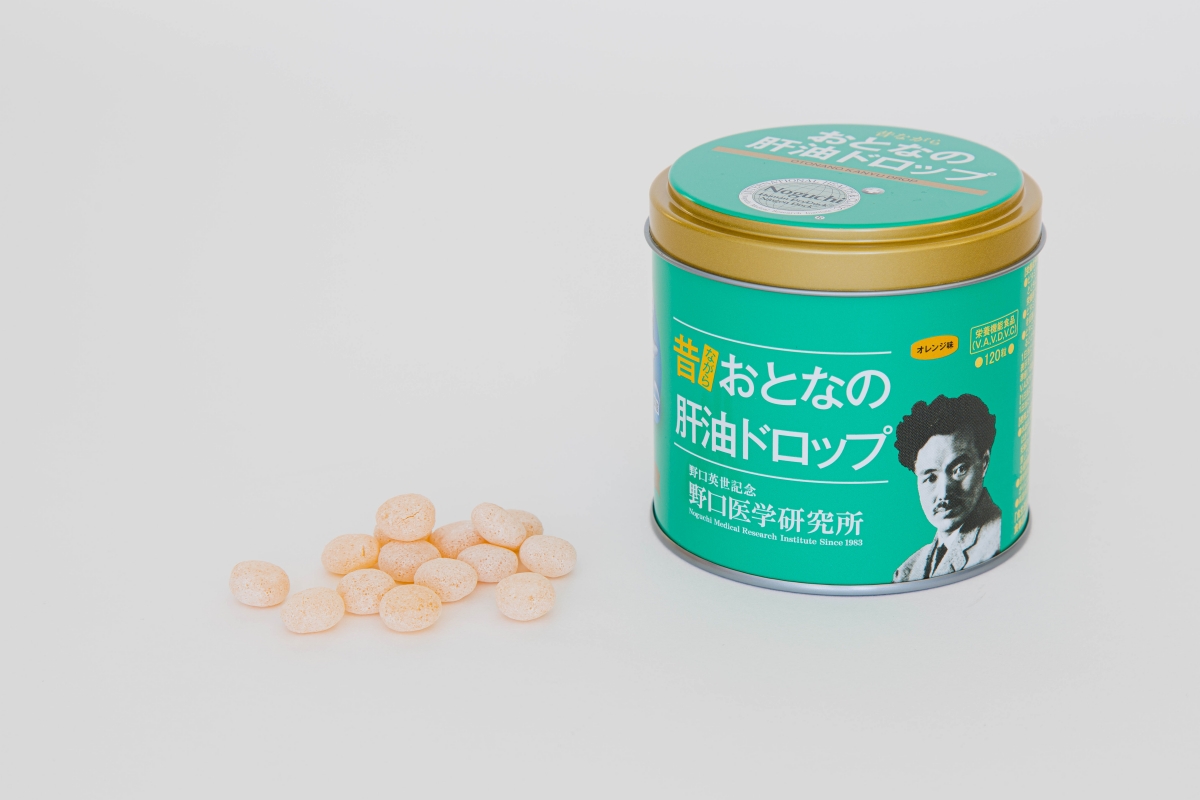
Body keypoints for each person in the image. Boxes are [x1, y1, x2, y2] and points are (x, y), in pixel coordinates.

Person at [892, 394, 1001, 583]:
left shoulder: (996, 539)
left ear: (984, 463)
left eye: (959, 470)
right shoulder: (907, 571)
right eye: (930, 477)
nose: (943, 493)